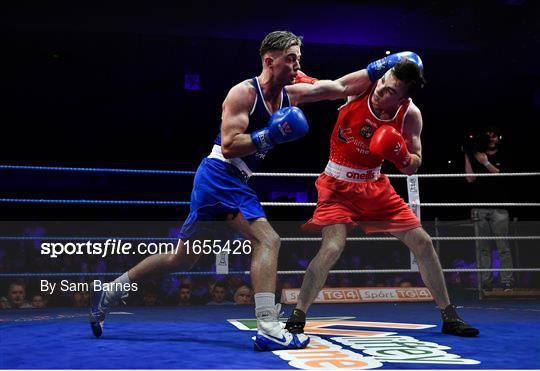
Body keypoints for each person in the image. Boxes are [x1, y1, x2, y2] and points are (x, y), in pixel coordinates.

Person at [90, 30, 392, 351]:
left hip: (225, 180)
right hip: (222, 173)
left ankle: (111, 290)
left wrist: (384, 66)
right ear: (269, 61)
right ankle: (268, 328)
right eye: (290, 59)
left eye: (298, 59)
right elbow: (232, 145)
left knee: (183, 259)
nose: (296, 65)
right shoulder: (242, 93)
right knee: (268, 240)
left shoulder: (292, 94)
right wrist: (271, 135)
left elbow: (341, 88)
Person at [284, 53, 480, 337]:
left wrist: (400, 154)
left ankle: (449, 316)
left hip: (375, 187)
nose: (380, 90)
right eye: (383, 82)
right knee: (332, 248)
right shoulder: (364, 86)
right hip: (336, 185)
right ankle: (298, 313)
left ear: (402, 99)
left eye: (390, 91)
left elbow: (414, 163)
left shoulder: (409, 114)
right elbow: (330, 87)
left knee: (423, 243)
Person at [464, 127, 514, 291]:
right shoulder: (476, 155)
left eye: (494, 136)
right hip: (480, 206)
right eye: (489, 136)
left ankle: (507, 281)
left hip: (499, 208)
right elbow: (470, 179)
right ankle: (486, 282)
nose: (492, 139)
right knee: (482, 247)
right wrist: (468, 155)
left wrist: (485, 162)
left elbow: (502, 176)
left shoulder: (503, 155)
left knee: (503, 246)